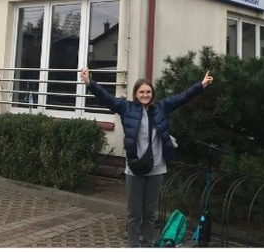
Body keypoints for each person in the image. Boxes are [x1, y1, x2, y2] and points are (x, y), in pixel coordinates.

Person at [80, 68, 214, 247]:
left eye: (148, 92)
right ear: (136, 94)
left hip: (157, 168)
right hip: (134, 168)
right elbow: (106, 98)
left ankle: (148, 244)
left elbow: (182, 97)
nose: (145, 95)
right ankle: (133, 245)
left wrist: (201, 85)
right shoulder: (126, 108)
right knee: (134, 214)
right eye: (142, 92)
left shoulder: (162, 107)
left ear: (152, 94)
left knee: (150, 213)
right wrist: (90, 83)